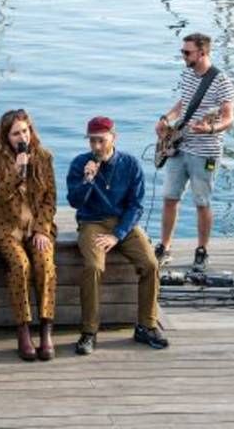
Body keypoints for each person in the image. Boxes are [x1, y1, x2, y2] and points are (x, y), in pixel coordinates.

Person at [68, 116, 167, 353]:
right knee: (93, 267)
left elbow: (136, 205)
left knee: (151, 264)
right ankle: (89, 331)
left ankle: (146, 325)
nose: (96, 147)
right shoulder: (79, 164)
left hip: (124, 223)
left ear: (114, 138)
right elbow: (74, 202)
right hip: (92, 222)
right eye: (92, 141)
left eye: (101, 141)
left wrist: (118, 234)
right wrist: (87, 180)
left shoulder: (130, 164)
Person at [154, 32, 234, 272]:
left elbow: (229, 118)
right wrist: (165, 118)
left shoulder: (222, 82)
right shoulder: (188, 75)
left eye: (187, 52)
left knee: (202, 202)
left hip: (205, 151)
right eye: (182, 51)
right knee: (169, 198)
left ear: (202, 52)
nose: (183, 56)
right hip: (179, 146)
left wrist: (210, 128)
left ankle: (202, 250)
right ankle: (164, 247)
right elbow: (184, 103)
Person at [0, 109, 58, 361]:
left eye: (25, 131)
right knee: (21, 265)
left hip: (36, 226)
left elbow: (50, 199)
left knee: (45, 262)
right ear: (6, 137)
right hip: (7, 227)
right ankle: (23, 329)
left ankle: (46, 329)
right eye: (16, 133)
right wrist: (17, 170)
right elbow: (1, 195)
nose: (22, 137)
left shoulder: (44, 157)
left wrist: (42, 229)